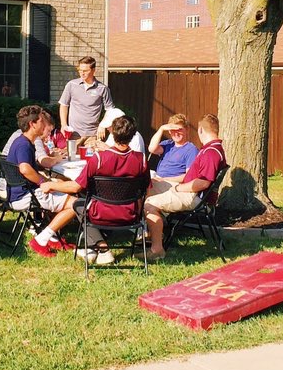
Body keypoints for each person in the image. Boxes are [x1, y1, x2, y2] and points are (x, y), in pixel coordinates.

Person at [38, 113, 148, 266]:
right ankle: (91, 247)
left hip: (101, 213)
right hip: (131, 214)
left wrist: (50, 185)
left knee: (77, 203)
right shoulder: (141, 159)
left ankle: (102, 248)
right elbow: (145, 188)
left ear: (113, 133)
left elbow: (76, 186)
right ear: (133, 135)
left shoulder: (99, 159)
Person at [143, 114, 226, 259]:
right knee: (144, 189)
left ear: (200, 130)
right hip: (189, 191)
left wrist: (177, 188)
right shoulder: (211, 149)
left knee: (149, 204)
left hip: (194, 197)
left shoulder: (211, 153)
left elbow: (203, 183)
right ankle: (147, 231)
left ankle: (157, 250)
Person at [7, 105, 76, 257]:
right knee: (75, 204)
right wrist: (43, 182)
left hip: (19, 192)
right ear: (32, 124)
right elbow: (25, 169)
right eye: (42, 121)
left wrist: (48, 181)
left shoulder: (22, 141)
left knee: (59, 189)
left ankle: (53, 238)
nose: (45, 125)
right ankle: (41, 240)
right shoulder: (24, 145)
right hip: (25, 195)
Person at [58, 56, 114, 145]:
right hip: (74, 134)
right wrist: (64, 125)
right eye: (80, 70)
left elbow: (110, 110)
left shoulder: (103, 88)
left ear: (93, 70)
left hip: (93, 136)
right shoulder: (71, 85)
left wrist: (103, 125)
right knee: (71, 154)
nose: (82, 73)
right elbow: (64, 105)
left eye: (85, 71)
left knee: (93, 154)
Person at [145, 113, 200, 187]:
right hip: (158, 180)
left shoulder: (191, 150)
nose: (176, 133)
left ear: (187, 129)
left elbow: (189, 176)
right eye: (173, 130)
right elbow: (151, 149)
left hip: (172, 184)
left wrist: (164, 180)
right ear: (169, 131)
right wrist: (161, 129)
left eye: (179, 130)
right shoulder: (168, 144)